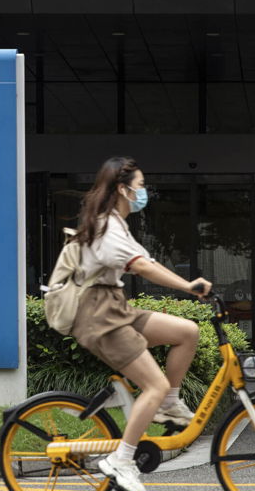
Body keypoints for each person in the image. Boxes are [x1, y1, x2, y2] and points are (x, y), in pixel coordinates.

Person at [70, 157, 212, 491]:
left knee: (187, 332)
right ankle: (121, 459)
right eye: (141, 185)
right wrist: (188, 286)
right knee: (154, 384)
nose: (144, 191)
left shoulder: (117, 223)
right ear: (123, 188)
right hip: (100, 317)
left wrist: (186, 284)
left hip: (116, 308)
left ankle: (168, 404)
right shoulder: (106, 226)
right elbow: (144, 269)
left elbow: (145, 263)